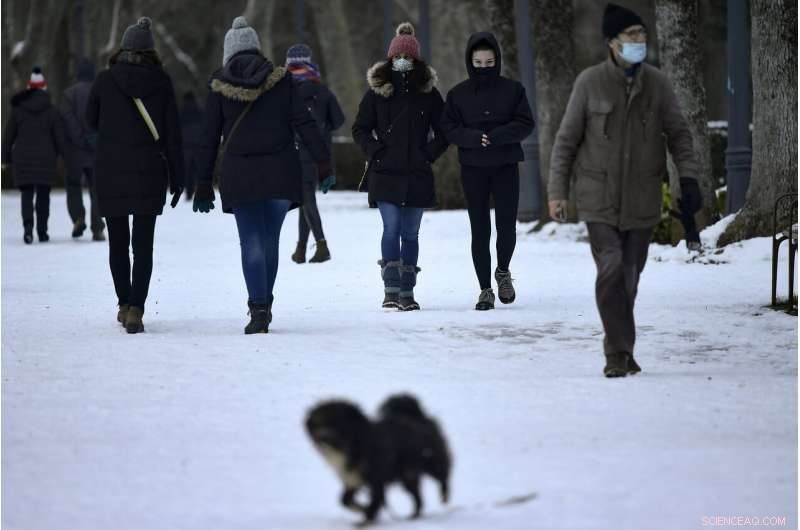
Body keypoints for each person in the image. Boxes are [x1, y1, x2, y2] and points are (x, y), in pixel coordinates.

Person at [548, 3, 701, 377]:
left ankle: (623, 350)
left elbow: (680, 135)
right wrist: (557, 192)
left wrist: (690, 179)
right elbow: (566, 142)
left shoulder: (658, 84)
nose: (639, 41)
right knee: (612, 267)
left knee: (628, 280)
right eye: (631, 36)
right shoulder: (589, 82)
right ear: (612, 43)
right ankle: (616, 355)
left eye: (642, 35)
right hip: (597, 197)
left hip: (642, 199)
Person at [193, 16, 330, 334]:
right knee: (270, 240)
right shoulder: (283, 81)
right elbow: (304, 123)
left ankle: (258, 308)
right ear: (257, 48)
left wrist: (202, 182)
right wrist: (323, 162)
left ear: (228, 53)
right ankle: (265, 303)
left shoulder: (219, 86)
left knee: (250, 241)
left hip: (240, 174)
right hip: (281, 171)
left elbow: (208, 137)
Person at [86, 16, 185, 334]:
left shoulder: (104, 80)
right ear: (150, 51)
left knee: (117, 242)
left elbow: (91, 120)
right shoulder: (162, 81)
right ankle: (137, 310)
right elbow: (172, 134)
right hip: (149, 170)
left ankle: (124, 302)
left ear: (124, 48)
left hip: (111, 169)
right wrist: (178, 176)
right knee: (143, 245)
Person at [352, 22, 449, 311]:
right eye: (396, 57)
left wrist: (427, 154)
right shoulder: (377, 93)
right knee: (391, 228)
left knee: (411, 233)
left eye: (407, 57)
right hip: (385, 172)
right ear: (389, 58)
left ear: (417, 59)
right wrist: (376, 152)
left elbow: (444, 130)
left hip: (417, 173)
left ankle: (408, 290)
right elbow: (360, 128)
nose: (401, 61)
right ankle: (391, 287)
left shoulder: (429, 94)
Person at [441, 32, 534, 311]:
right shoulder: (457, 94)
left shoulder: (513, 90)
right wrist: (472, 138)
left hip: (505, 166)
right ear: (470, 62)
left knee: (506, 226)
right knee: (479, 230)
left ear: (497, 60)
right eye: (478, 62)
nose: (484, 66)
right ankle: (485, 289)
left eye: (489, 61)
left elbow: (525, 123)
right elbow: (449, 127)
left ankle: (503, 272)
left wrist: (499, 134)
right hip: (473, 170)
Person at [285, 43, 345, 264]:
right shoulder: (322, 90)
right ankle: (301, 249)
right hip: (320, 154)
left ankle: (322, 245)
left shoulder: (285, 92)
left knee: (307, 198)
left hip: (297, 151)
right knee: (305, 197)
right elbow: (338, 120)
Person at [2, 66, 66, 244]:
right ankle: (43, 231)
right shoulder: (51, 110)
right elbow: (60, 137)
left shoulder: (18, 110)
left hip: (22, 158)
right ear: (44, 88)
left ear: (29, 88)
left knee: (27, 194)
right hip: (46, 158)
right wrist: (65, 156)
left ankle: (28, 228)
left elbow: (8, 136)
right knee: (44, 195)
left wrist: (5, 158)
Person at [61, 57, 105, 241]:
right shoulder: (101, 92)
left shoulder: (68, 94)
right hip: (97, 149)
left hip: (75, 151)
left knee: (73, 185)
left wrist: (79, 138)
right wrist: (94, 138)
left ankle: (78, 217)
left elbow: (67, 118)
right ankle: (97, 227)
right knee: (97, 188)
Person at [178, 91, 203, 202]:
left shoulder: (181, 110)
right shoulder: (199, 109)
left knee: (188, 171)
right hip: (198, 142)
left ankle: (188, 194)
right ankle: (200, 192)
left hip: (185, 144)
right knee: (198, 169)